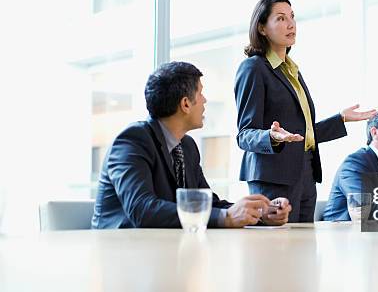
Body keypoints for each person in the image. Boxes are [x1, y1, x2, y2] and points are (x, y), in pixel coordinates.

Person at [92, 61, 291, 229]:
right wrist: (227, 217)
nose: (205, 101)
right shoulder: (132, 141)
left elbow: (207, 203)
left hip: (166, 250)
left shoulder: (187, 146)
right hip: (120, 254)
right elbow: (142, 209)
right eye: (201, 93)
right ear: (186, 104)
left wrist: (260, 214)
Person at [234, 0, 376, 222]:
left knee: (304, 251)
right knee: (277, 251)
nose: (291, 24)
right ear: (261, 27)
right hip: (274, 177)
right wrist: (271, 137)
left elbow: (302, 133)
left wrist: (340, 119)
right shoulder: (253, 68)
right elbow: (244, 134)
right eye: (281, 18)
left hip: (306, 172)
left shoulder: (292, 72)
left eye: (292, 17)